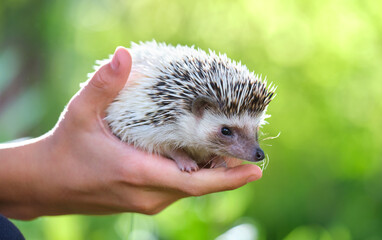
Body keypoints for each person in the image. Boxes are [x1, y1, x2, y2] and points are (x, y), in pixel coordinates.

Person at [0, 47, 262, 222]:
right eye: (227, 132)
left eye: (253, 133)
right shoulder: (161, 114)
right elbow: (141, 136)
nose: (252, 151)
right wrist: (177, 154)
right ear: (198, 112)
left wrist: (215, 156)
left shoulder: (204, 122)